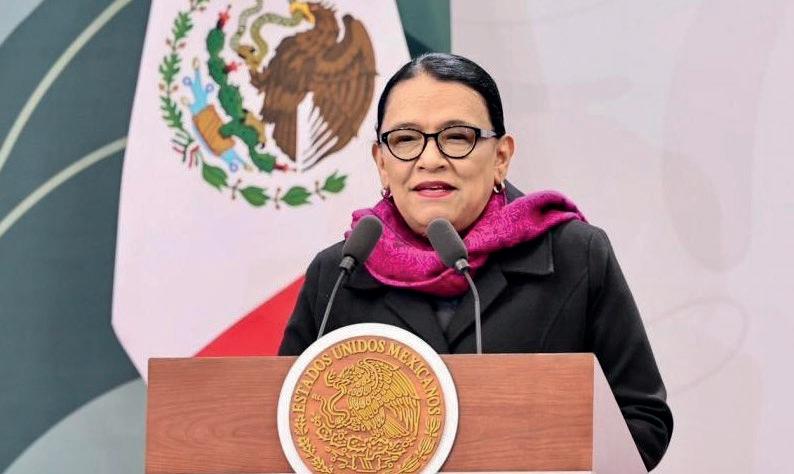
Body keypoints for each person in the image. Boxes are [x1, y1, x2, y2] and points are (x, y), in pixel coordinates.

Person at [278, 53, 673, 470]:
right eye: (406, 139)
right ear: (382, 162)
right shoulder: (339, 273)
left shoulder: (575, 254)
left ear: (501, 156)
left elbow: (641, 418)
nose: (430, 159)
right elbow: (278, 420)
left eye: (457, 137)